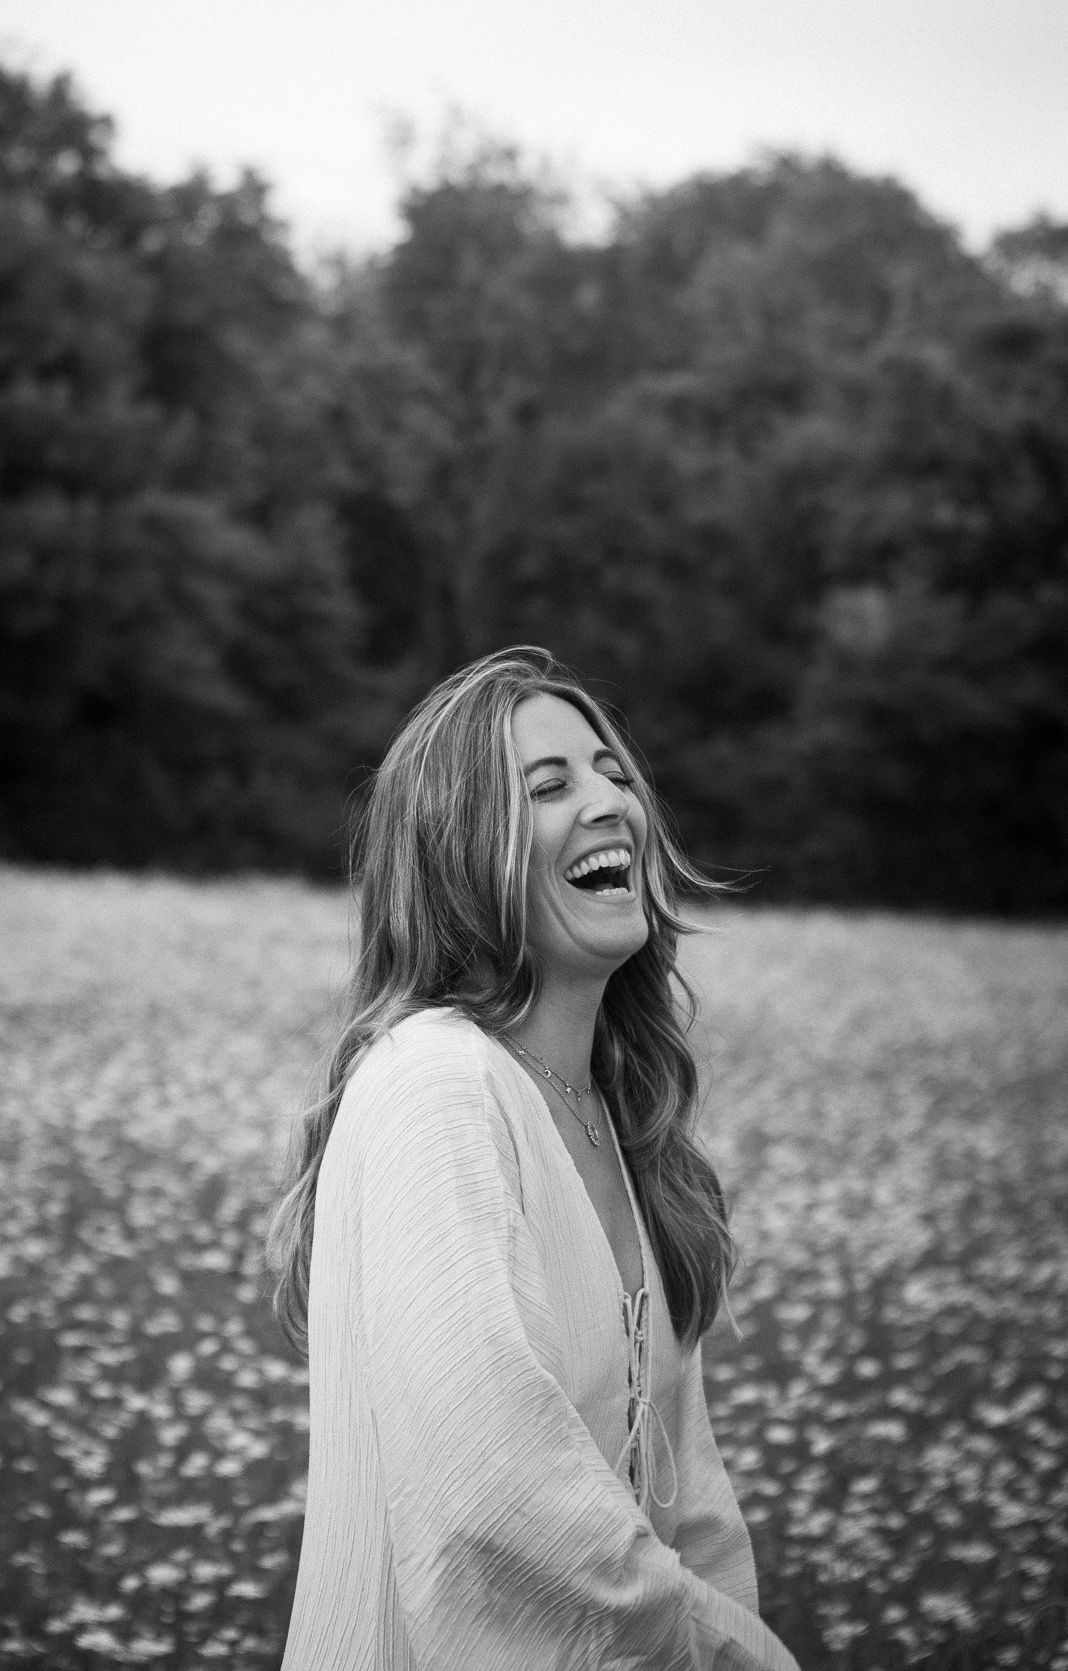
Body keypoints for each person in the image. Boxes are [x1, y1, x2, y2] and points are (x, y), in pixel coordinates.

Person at [269, 646, 799, 1670]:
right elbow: (490, 1482)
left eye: (613, 772)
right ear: (460, 849)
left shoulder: (617, 1119)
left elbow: (689, 1502)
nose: (613, 803)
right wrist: (731, 1652)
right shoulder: (435, 1081)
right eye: (550, 785)